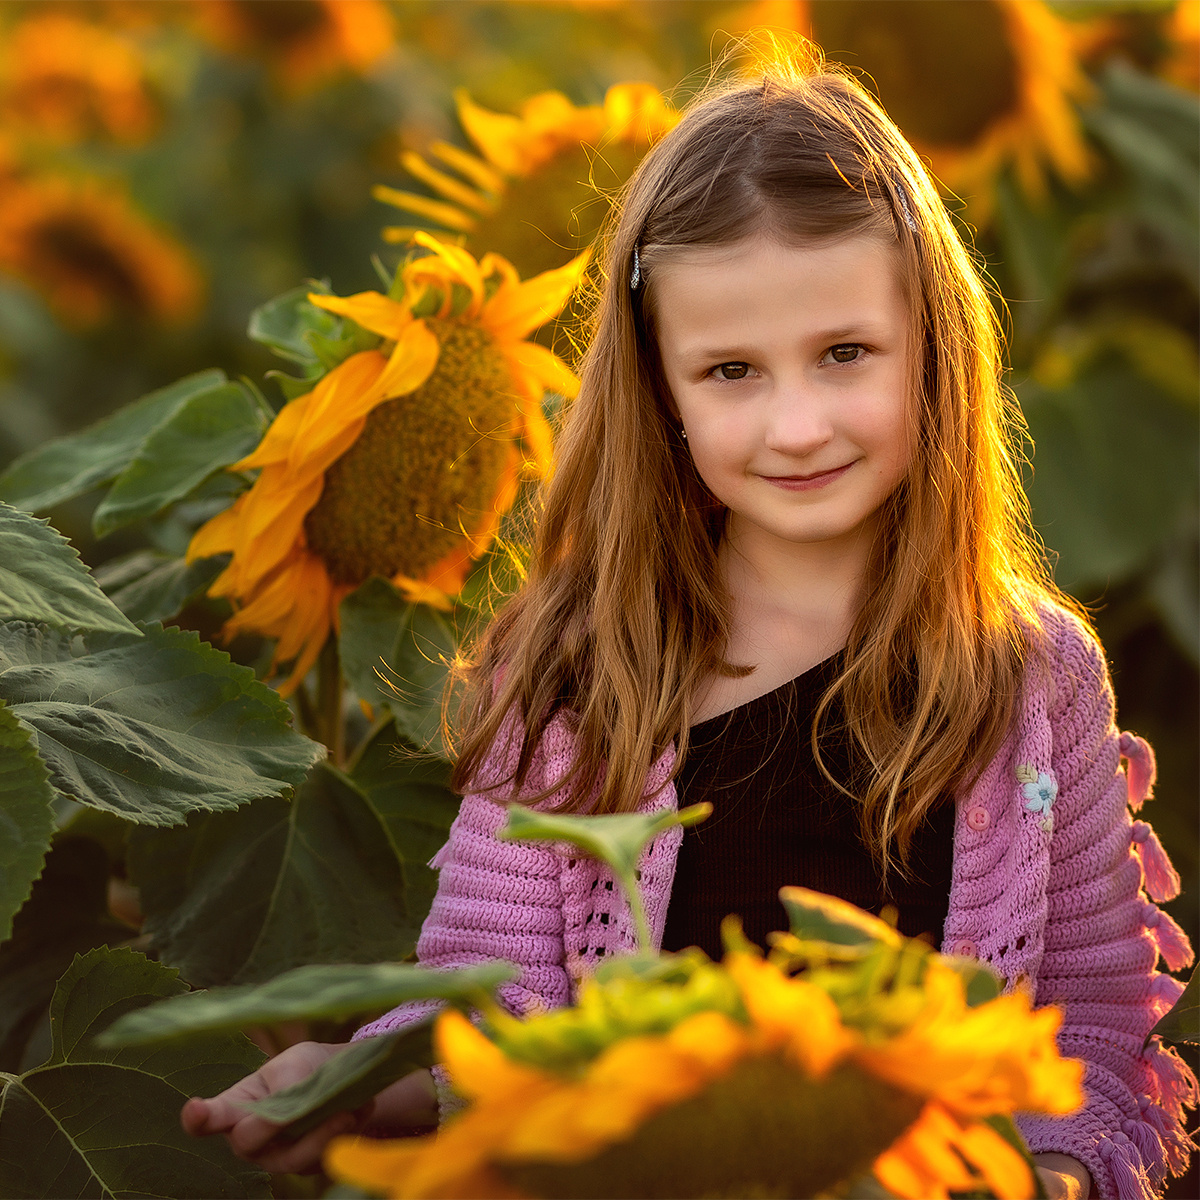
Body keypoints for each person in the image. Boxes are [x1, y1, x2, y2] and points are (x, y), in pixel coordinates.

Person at [181, 53, 1195, 1200]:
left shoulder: (1031, 678)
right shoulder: (579, 670)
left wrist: (1044, 1176)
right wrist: (357, 1083)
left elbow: (1093, 1041)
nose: (797, 424)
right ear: (661, 391)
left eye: (845, 354)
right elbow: (492, 1011)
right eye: (731, 372)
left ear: (937, 352)